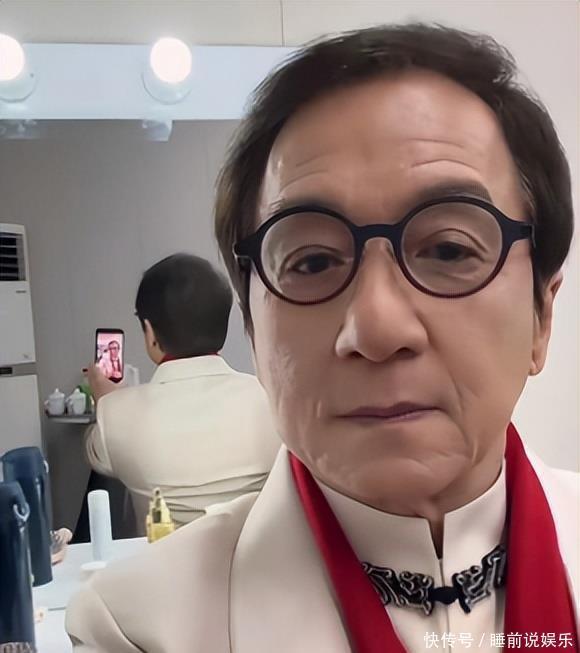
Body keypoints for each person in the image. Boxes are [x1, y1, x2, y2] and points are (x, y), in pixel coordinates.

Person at [66, 24, 579, 651]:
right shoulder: (137, 627)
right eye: (311, 261)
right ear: (253, 331)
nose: (377, 328)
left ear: (541, 316)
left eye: (449, 249)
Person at [83, 253, 280, 529]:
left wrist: (107, 401)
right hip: (255, 553)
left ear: (150, 332)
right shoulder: (270, 399)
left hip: (163, 555)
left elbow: (98, 456)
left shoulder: (115, 414)